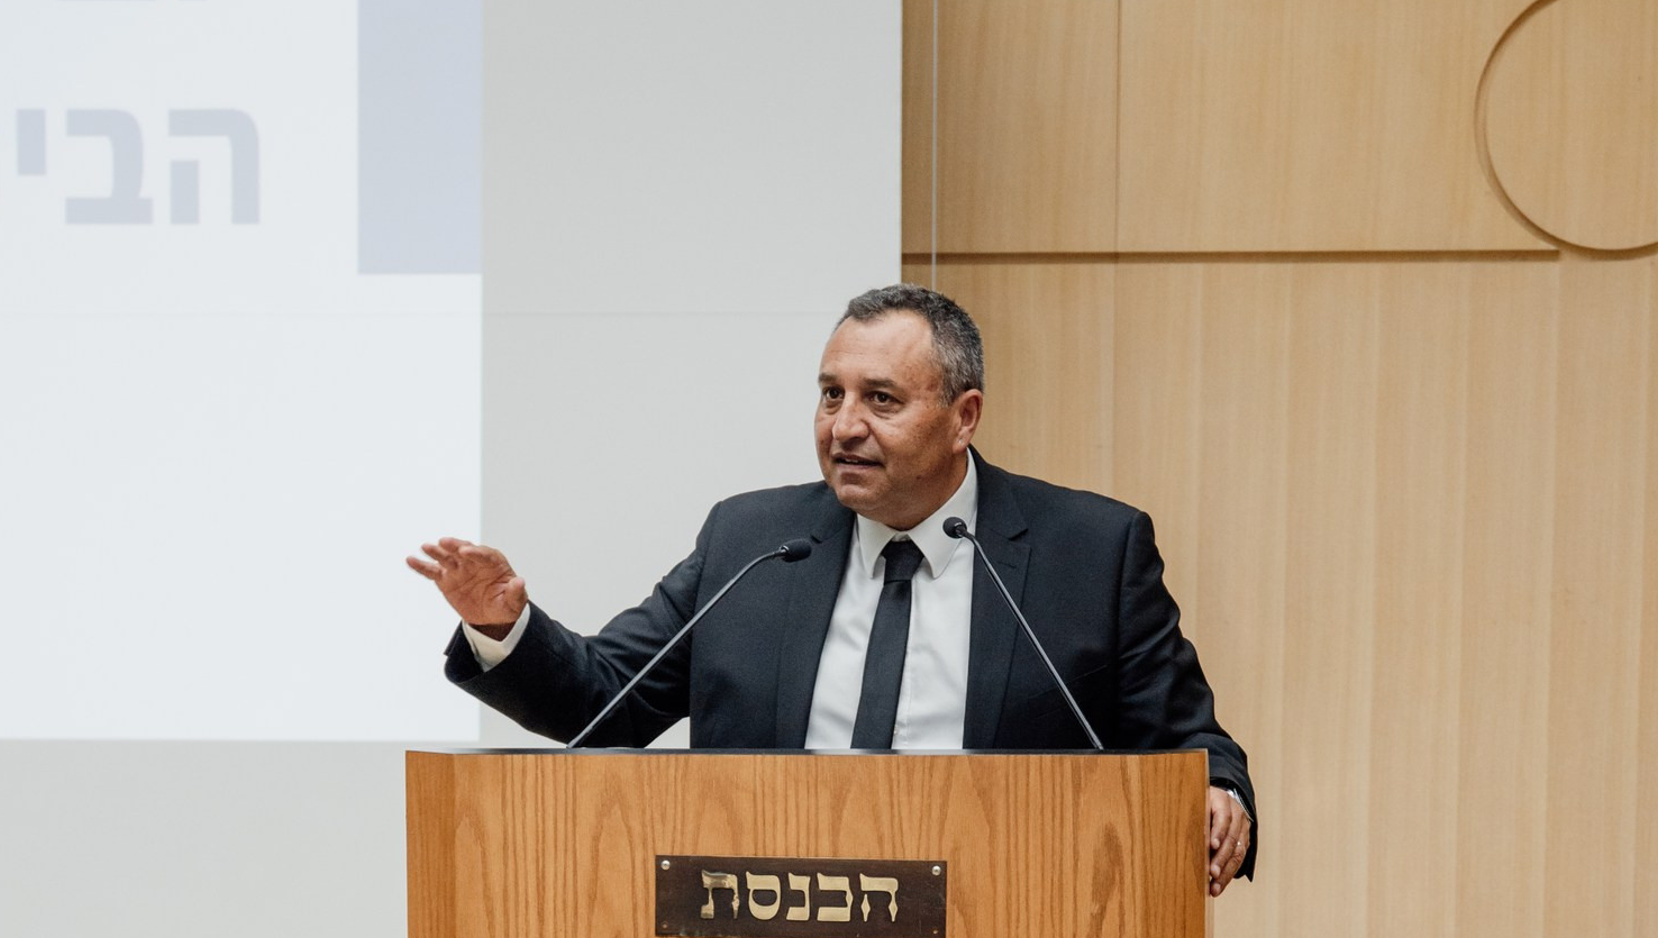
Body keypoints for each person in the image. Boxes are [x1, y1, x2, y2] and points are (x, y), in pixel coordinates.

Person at [410, 284, 1257, 892]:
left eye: (880, 399)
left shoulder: (1091, 552)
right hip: (759, 934)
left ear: (964, 416)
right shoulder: (752, 541)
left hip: (1008, 932)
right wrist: (506, 628)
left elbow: (1190, 744)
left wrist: (1219, 794)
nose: (843, 426)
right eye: (830, 395)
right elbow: (604, 703)